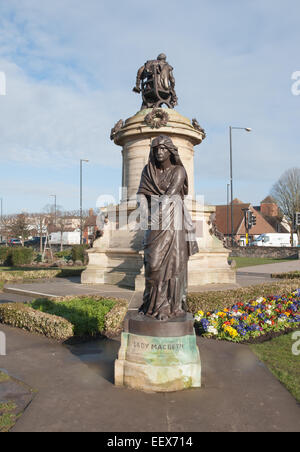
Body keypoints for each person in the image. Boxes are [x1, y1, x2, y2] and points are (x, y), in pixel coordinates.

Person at [137, 135, 198, 321]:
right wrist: (145, 214)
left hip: (172, 222)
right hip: (155, 221)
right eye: (156, 149)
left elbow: (170, 196)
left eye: (163, 148)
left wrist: (153, 215)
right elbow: (141, 195)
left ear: (170, 151)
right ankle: (151, 303)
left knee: (172, 264)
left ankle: (167, 306)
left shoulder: (178, 171)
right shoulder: (148, 171)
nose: (159, 152)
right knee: (152, 264)